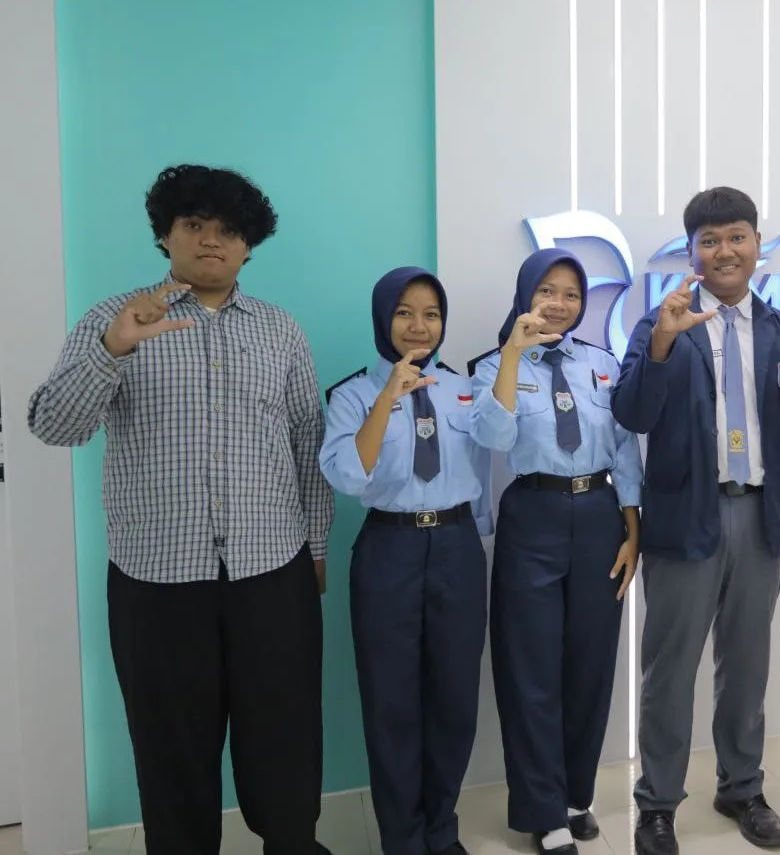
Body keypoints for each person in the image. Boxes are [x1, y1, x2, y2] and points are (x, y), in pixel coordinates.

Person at [27, 165, 333, 855]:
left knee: (285, 747)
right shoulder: (115, 320)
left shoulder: (281, 331)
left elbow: (306, 443)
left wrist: (314, 547)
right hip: (156, 583)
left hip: (271, 574)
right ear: (165, 234)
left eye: (228, 229)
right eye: (194, 224)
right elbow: (53, 425)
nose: (211, 240)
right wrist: (112, 350)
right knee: (172, 757)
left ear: (249, 245)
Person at [611, 186, 780, 855]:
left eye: (737, 236)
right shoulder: (661, 322)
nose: (725, 250)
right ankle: (658, 804)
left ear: (757, 244)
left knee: (747, 666)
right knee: (669, 671)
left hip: (759, 518)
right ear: (690, 251)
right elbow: (632, 413)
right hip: (683, 520)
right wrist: (664, 342)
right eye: (710, 240)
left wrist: (759, 473)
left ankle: (742, 788)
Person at [469, 249, 643, 855]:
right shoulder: (493, 364)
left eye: (571, 294)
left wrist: (633, 527)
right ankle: (543, 811)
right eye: (547, 290)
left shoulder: (602, 364)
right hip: (533, 515)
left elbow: (624, 448)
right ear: (525, 295)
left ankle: (573, 794)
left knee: (590, 665)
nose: (560, 304)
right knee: (531, 668)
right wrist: (512, 356)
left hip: (599, 516)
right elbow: (493, 436)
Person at [319, 267, 489, 855]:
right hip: (389, 550)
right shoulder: (352, 394)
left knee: (454, 698)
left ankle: (441, 830)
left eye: (431, 314)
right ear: (382, 318)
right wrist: (388, 396)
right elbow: (348, 476)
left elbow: (487, 460)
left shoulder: (463, 388)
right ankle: (402, 838)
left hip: (457, 547)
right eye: (404, 313)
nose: (419, 326)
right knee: (390, 701)